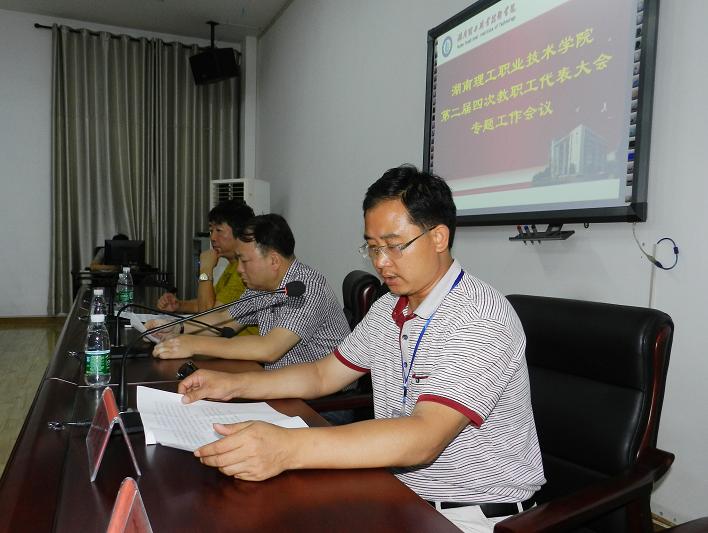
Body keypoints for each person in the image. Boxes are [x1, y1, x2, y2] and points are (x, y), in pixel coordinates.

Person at [176, 166, 545, 532]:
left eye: (394, 245)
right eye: (373, 247)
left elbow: (424, 438)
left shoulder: (480, 317)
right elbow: (322, 374)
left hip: (471, 515)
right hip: (397, 492)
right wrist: (231, 384)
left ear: (438, 237)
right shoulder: (389, 308)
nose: (381, 262)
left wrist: (287, 448)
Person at [152, 213, 351, 371]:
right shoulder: (261, 287)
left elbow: (269, 348)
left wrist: (194, 344)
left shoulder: (306, 288)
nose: (239, 269)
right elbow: (224, 319)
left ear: (273, 260)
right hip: (283, 384)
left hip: (325, 400)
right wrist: (176, 329)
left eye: (244, 261)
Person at [156, 201, 257, 338]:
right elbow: (209, 303)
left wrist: (205, 270)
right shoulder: (233, 265)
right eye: (211, 231)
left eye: (219, 231)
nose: (213, 238)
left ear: (239, 233)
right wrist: (179, 305)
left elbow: (208, 314)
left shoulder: (245, 272)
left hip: (239, 348)